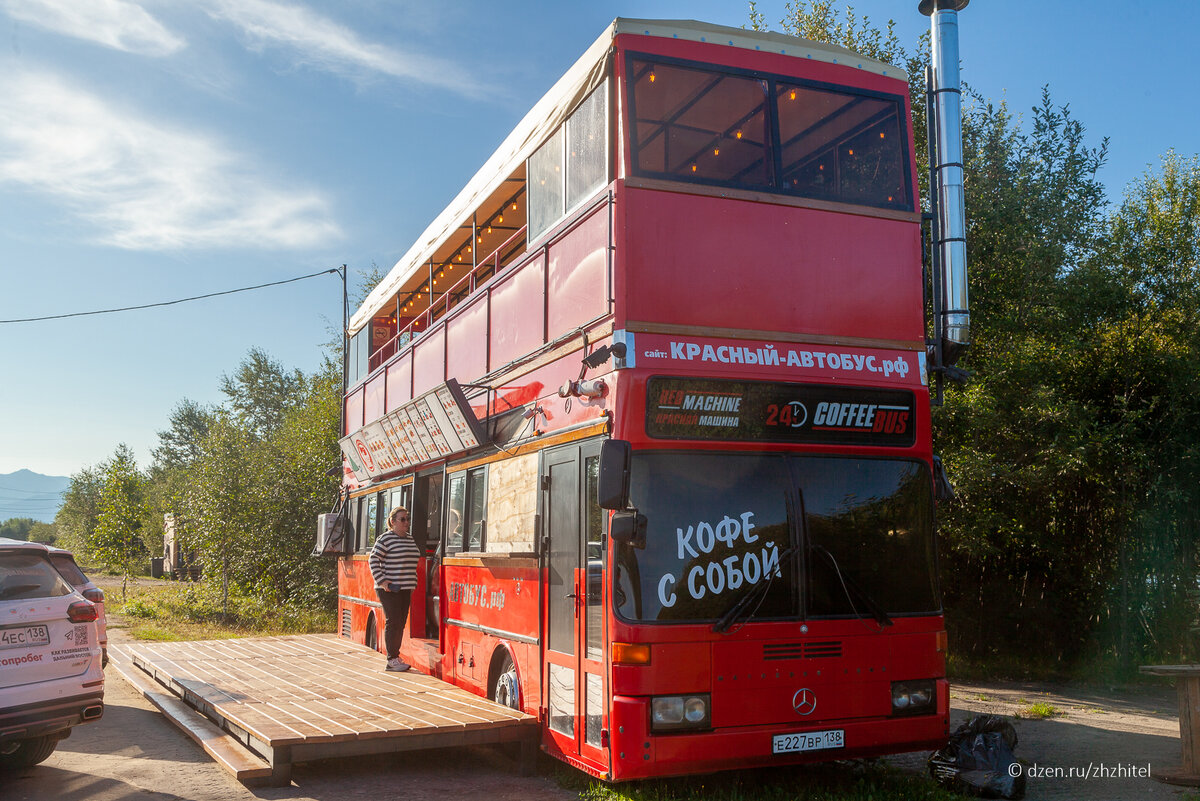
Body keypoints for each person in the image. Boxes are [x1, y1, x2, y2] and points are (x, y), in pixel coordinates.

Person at [369, 506, 421, 672]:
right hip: (389, 589)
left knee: (401, 622)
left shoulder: (410, 539)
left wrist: (413, 581)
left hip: (406, 587)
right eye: (402, 519)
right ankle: (391, 659)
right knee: (393, 621)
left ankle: (395, 657)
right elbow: (373, 560)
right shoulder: (385, 539)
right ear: (393, 522)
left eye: (407, 519)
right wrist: (383, 581)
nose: (406, 522)